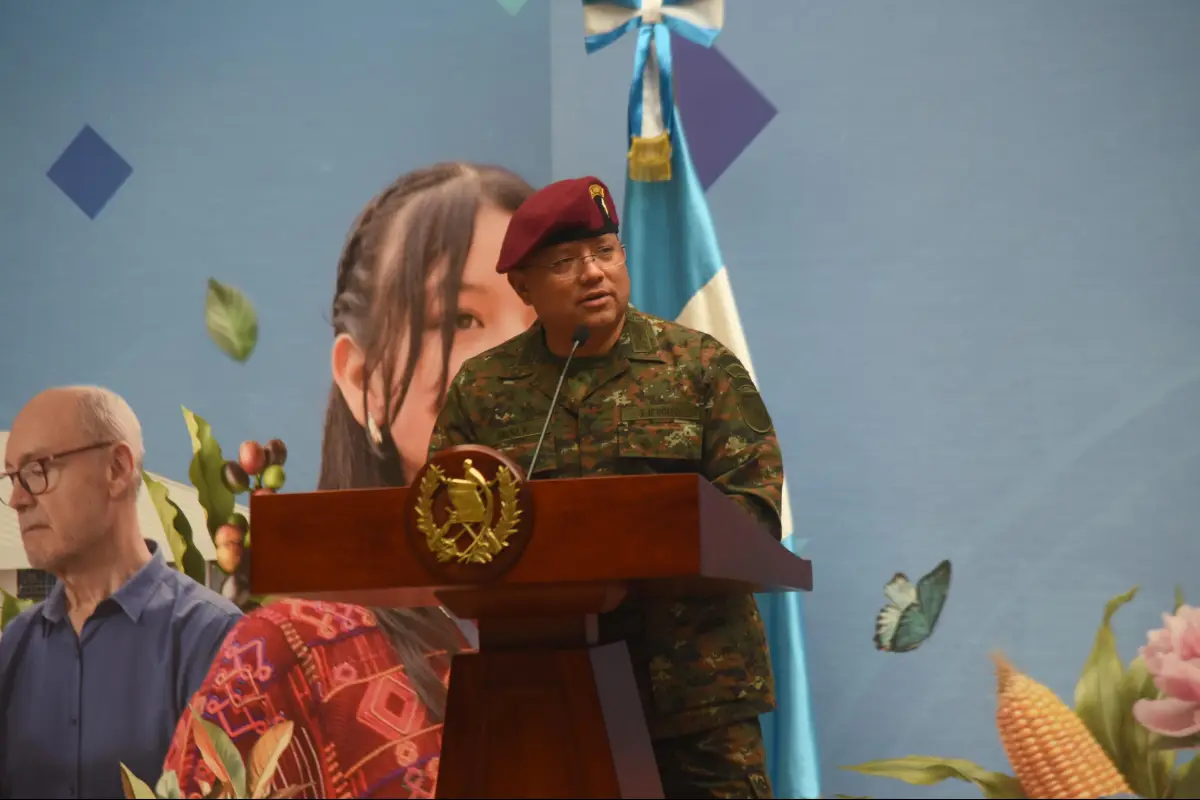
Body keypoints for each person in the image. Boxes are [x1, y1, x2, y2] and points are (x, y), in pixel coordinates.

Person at [160, 162, 538, 798]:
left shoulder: (639, 621)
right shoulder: (279, 661)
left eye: (543, 324)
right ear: (361, 378)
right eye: (462, 320)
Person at [427, 175, 784, 799]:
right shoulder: (483, 391)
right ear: (523, 287)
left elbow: (754, 511)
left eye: (605, 252)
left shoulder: (699, 367)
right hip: (551, 692)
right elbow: (442, 529)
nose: (593, 273)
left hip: (695, 694)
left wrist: (650, 538)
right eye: (565, 262)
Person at [0, 386, 242, 800]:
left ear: (117, 468)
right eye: (11, 478)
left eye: (37, 470)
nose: (18, 499)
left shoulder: (216, 641)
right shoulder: (15, 646)